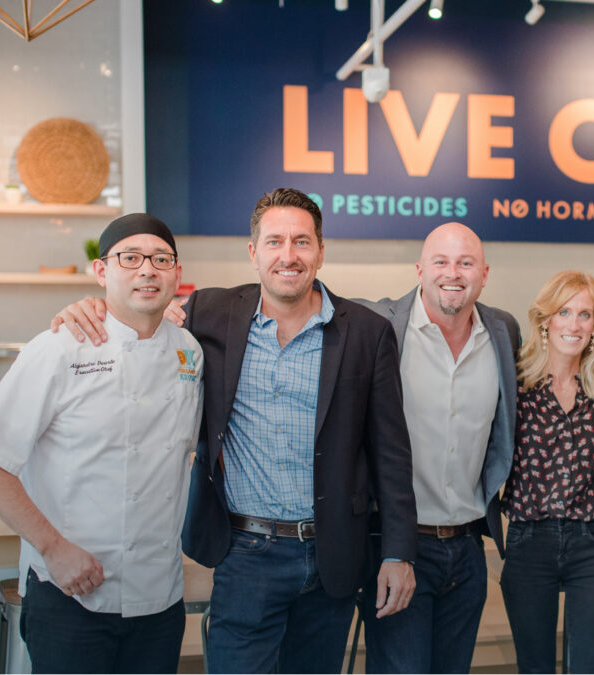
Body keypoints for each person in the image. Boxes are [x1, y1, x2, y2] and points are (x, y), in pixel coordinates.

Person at [49, 188, 418, 673]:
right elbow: (135, 313)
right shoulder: (208, 313)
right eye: (274, 241)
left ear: (321, 251)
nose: (288, 255)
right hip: (246, 553)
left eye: (302, 242)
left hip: (334, 552)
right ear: (253, 252)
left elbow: (391, 453)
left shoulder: (367, 331)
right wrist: (88, 308)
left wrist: (398, 552)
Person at [0, 214, 203, 673]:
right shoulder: (59, 347)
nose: (147, 270)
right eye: (130, 258)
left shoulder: (189, 351)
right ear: (101, 271)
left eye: (161, 259)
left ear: (176, 273)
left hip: (158, 600)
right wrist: (52, 549)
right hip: (69, 596)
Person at [356, 222, 520, 674]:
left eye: (466, 263)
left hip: (468, 551)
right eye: (441, 262)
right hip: (398, 547)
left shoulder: (503, 332)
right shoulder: (382, 326)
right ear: (420, 270)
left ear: (484, 274)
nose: (453, 273)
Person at [499, 271, 594, 674]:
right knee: (535, 666)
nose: (574, 324)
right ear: (545, 319)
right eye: (564, 312)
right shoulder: (516, 380)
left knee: (590, 666)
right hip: (529, 538)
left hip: (592, 539)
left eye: (585, 314)